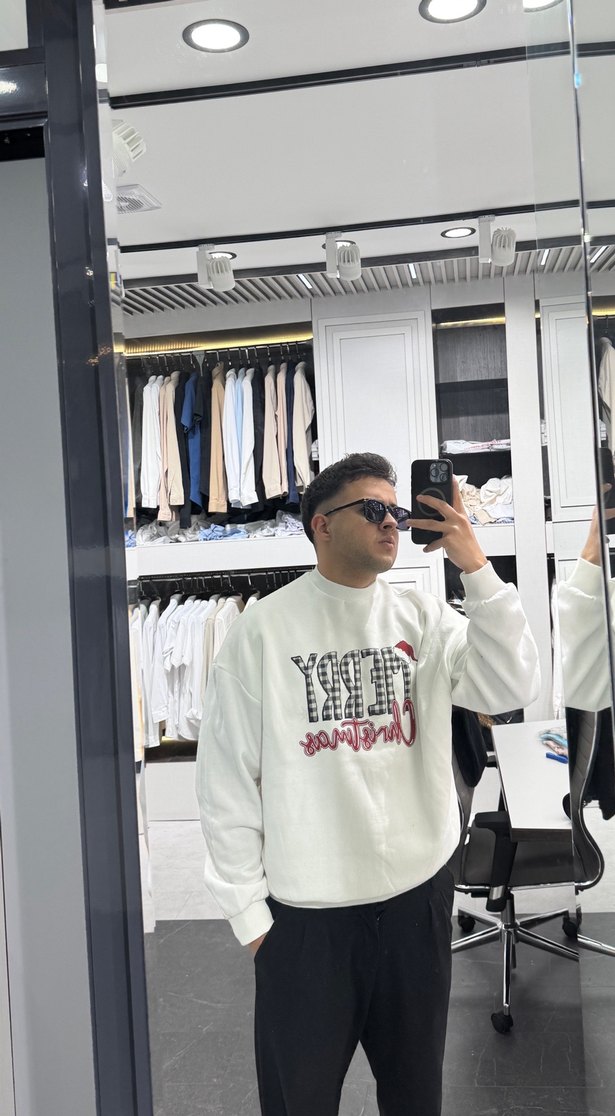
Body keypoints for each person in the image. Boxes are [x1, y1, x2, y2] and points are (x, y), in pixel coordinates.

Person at [195, 452, 540, 1116]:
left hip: (417, 903)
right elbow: (226, 780)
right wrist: (251, 918)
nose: (391, 522)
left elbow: (510, 684)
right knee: (299, 1099)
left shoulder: (423, 617)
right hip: (306, 920)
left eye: (397, 510)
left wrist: (475, 566)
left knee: (415, 1096)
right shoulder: (262, 630)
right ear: (321, 525)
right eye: (373, 508)